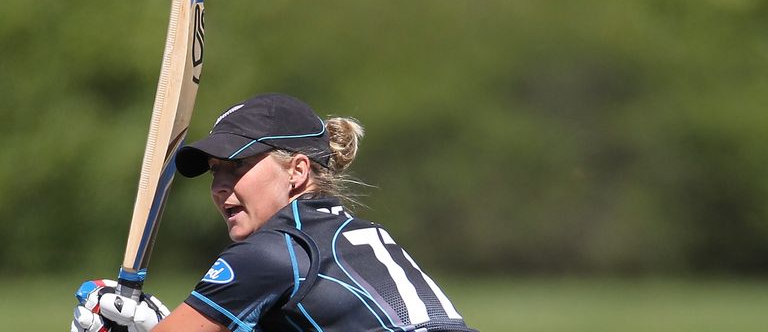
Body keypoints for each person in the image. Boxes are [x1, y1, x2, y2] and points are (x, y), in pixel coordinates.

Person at [72, 93, 478, 332]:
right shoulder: (344, 234)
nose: (219, 187)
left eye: (238, 166)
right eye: (215, 172)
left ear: (298, 171)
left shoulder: (273, 251)